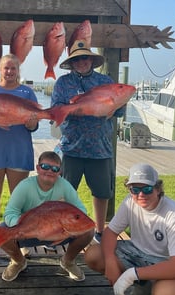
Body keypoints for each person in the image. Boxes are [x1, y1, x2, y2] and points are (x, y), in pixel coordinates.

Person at [84, 163, 175, 295]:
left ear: (158, 188)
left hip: (170, 262)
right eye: (134, 189)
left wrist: (131, 274)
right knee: (94, 255)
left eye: (147, 189)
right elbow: (110, 233)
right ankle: (144, 287)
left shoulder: (173, 214)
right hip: (137, 253)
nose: (140, 195)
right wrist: (110, 261)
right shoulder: (130, 203)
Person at [51, 36, 125, 244]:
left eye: (85, 58)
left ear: (92, 60)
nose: (81, 62)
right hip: (71, 147)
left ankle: (99, 231)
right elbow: (57, 108)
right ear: (72, 63)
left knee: (101, 192)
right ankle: (63, 230)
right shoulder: (63, 83)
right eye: (77, 59)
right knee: (64, 192)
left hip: (100, 148)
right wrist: (78, 110)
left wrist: (110, 108)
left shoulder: (106, 82)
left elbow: (119, 110)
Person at [0, 54, 39, 256]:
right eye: (6, 68)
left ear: (18, 71)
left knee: (19, 197)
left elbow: (35, 122)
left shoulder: (27, 92)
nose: (9, 72)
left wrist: (33, 123)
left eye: (13, 68)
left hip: (18, 149)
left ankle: (21, 238)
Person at [0, 151, 94, 281]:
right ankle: (18, 261)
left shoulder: (65, 186)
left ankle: (68, 261)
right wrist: (19, 227)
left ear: (60, 172)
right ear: (37, 168)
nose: (49, 171)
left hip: (59, 232)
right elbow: (10, 212)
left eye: (55, 169)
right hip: (28, 232)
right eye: (45, 167)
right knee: (1, 232)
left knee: (88, 230)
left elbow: (81, 210)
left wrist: (67, 232)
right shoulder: (25, 186)